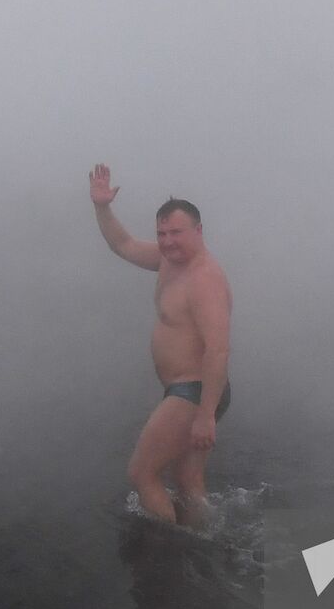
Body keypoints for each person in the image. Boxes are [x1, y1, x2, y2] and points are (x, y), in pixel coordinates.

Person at [89, 163, 232, 527]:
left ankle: (172, 552)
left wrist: (204, 415)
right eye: (162, 233)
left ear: (198, 230)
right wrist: (103, 208)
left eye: (176, 233)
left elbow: (218, 350)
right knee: (186, 479)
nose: (167, 241)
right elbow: (122, 244)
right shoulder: (170, 262)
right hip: (190, 390)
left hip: (195, 392)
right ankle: (207, 542)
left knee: (142, 474)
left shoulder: (205, 280)